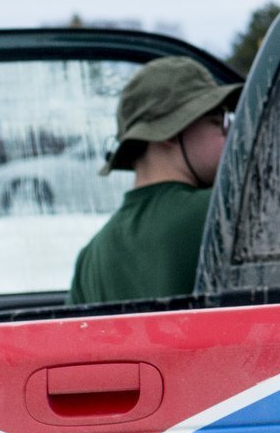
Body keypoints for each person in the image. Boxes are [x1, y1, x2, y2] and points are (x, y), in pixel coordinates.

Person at [69, 57, 238, 308]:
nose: (231, 135)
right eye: (218, 122)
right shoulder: (222, 210)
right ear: (168, 132)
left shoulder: (91, 257)